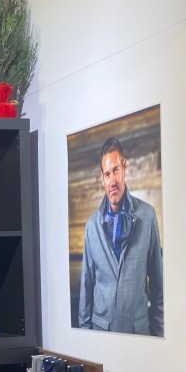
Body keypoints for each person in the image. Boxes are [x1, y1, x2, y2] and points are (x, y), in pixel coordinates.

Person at [78, 137, 164, 336]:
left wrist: (159, 337)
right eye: (107, 174)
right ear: (102, 179)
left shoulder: (148, 216)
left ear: (125, 168)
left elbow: (158, 285)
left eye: (116, 170)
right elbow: (86, 289)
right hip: (102, 335)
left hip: (139, 334)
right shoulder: (91, 226)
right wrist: (84, 338)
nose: (112, 180)